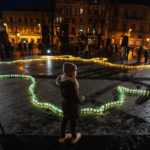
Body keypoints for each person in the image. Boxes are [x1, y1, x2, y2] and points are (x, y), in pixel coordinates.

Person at [56, 62, 85, 144]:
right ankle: (74, 137)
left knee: (64, 121)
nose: (76, 72)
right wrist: (82, 98)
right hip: (72, 106)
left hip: (65, 105)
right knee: (73, 123)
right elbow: (76, 97)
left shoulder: (63, 80)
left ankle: (62, 137)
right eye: (75, 71)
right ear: (71, 72)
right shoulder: (71, 83)